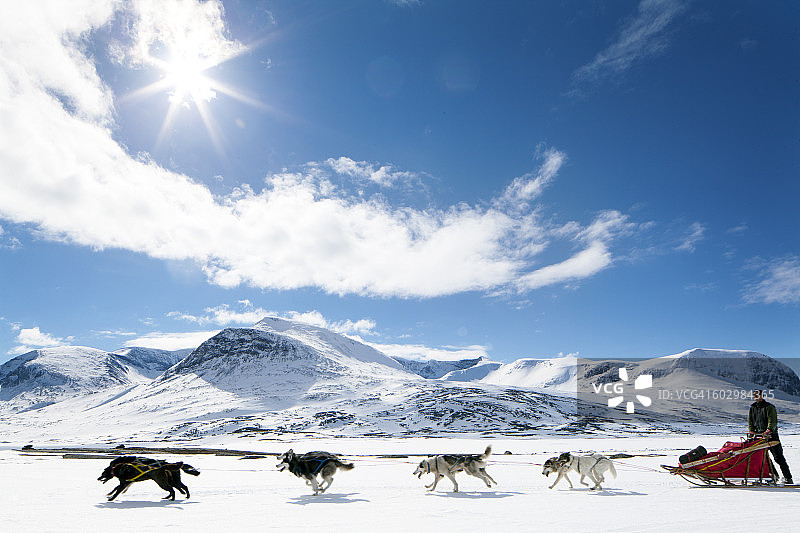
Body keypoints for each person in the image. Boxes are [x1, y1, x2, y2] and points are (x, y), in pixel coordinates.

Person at [748, 389, 793, 484]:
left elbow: (772, 420)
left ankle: (788, 477)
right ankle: (773, 475)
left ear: (762, 396)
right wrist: (751, 431)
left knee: (778, 457)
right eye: (754, 395)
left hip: (771, 436)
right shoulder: (752, 408)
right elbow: (751, 421)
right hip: (759, 436)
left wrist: (769, 430)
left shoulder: (769, 407)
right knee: (763, 458)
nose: (755, 396)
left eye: (757, 394)